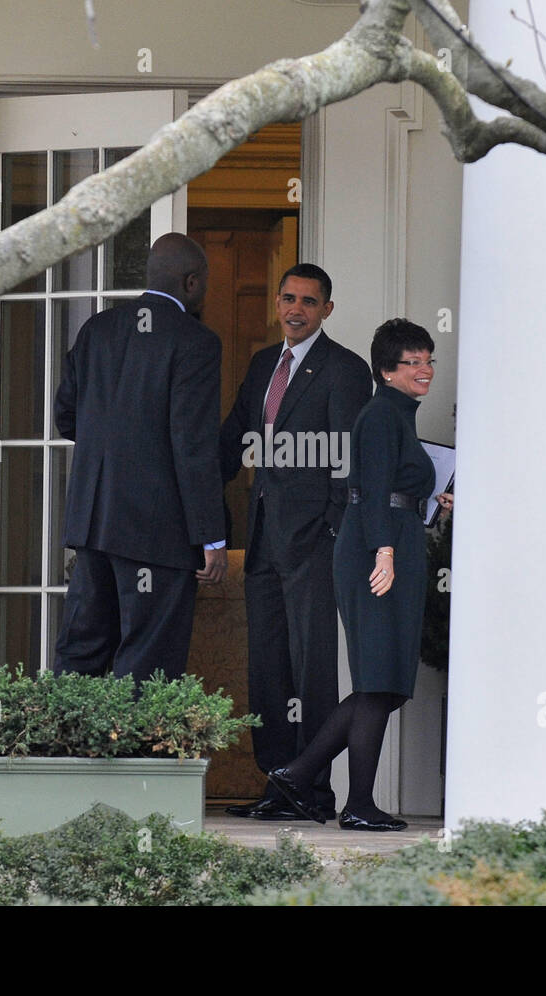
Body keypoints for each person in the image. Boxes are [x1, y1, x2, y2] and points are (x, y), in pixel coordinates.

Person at [268, 318, 452, 831]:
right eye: (412, 362)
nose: (425, 370)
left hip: (393, 544)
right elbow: (370, 490)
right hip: (377, 553)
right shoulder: (378, 416)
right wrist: (385, 552)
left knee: (389, 683)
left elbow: (394, 492)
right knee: (377, 679)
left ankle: (302, 774)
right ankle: (354, 802)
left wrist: (433, 505)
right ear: (386, 370)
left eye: (428, 359)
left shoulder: (398, 416)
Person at [220, 264, 372, 821]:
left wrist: (332, 531)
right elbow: (235, 438)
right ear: (277, 302)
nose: (296, 309)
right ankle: (276, 784)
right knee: (268, 670)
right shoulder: (264, 363)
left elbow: (348, 460)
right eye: (289, 298)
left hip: (313, 546)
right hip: (262, 543)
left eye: (309, 302)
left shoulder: (346, 370)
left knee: (311, 672)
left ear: (327, 310)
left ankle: (313, 790)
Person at [52, 233, 227, 683]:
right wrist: (210, 537)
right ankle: (134, 753)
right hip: (158, 533)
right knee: (147, 664)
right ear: (191, 282)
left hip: (93, 524)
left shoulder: (97, 329)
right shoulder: (196, 342)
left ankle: (67, 749)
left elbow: (66, 418)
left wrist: (110, 451)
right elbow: (192, 445)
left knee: (81, 653)